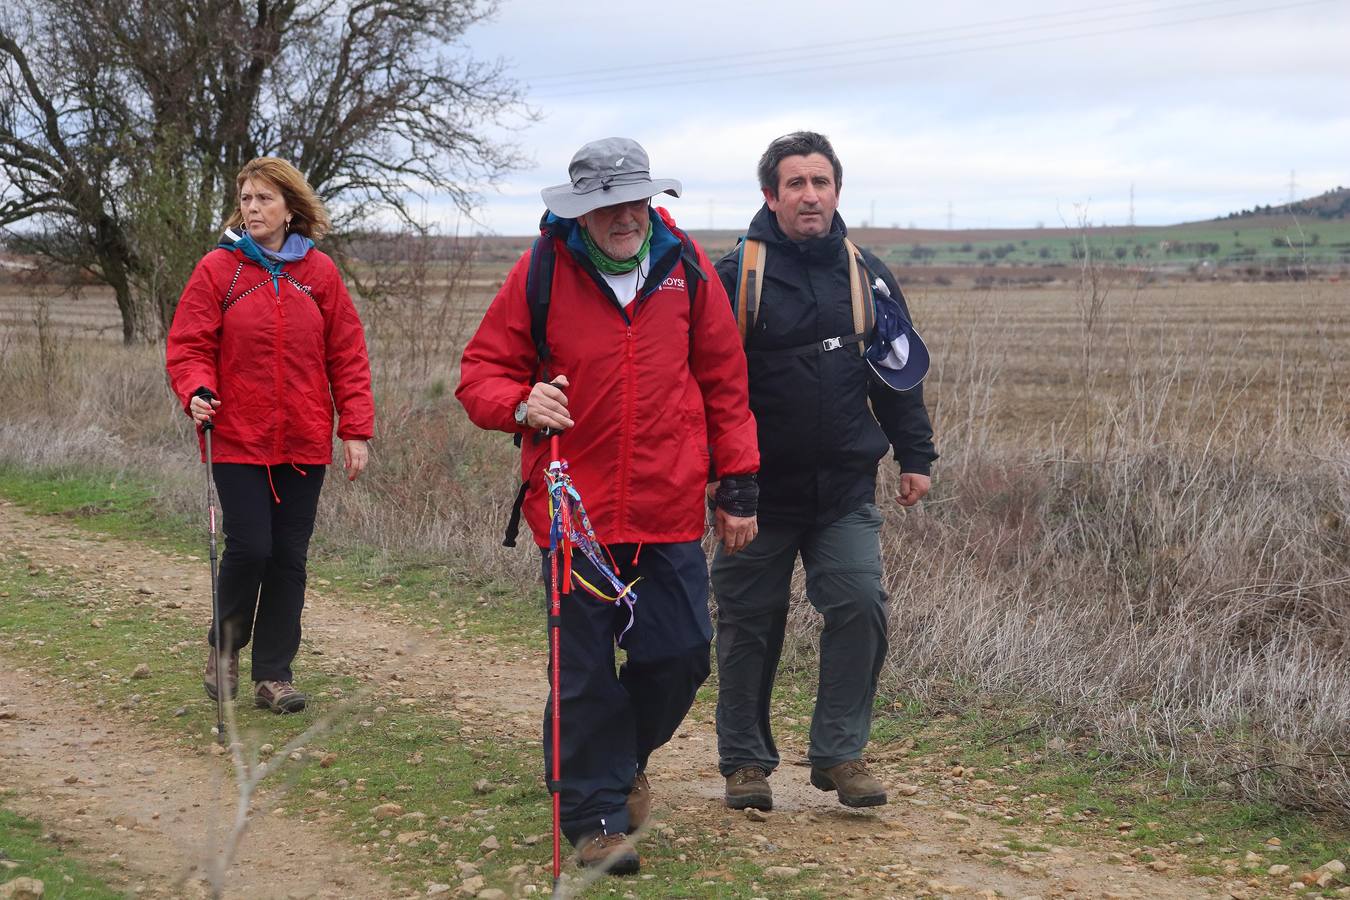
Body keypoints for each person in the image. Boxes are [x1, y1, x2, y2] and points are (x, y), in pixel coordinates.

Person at [456, 137, 759, 875]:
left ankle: (618, 760)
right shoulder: (540, 273)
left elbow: (723, 378)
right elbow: (479, 374)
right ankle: (595, 817)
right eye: (607, 205)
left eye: (635, 201)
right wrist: (522, 403)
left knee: (682, 654)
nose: (625, 216)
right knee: (585, 671)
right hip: (574, 516)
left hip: (667, 503)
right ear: (581, 212)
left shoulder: (684, 269)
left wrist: (740, 481)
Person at [712, 131, 937, 812]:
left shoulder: (866, 273)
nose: (810, 195)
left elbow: (896, 371)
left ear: (837, 190)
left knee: (861, 607)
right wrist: (722, 482)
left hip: (843, 488)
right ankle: (746, 764)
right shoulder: (734, 277)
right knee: (750, 624)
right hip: (755, 495)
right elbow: (705, 388)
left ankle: (840, 754)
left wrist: (915, 454)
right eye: (795, 184)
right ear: (770, 195)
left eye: (821, 182)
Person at [166, 156, 374, 715]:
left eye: (264, 199)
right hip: (236, 435)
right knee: (250, 547)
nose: (253, 208)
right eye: (247, 199)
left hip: (305, 440)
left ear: (290, 209)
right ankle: (225, 648)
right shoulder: (220, 269)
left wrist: (354, 429)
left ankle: (274, 675)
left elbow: (347, 355)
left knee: (288, 558)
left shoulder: (320, 274)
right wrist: (196, 390)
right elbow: (188, 346)